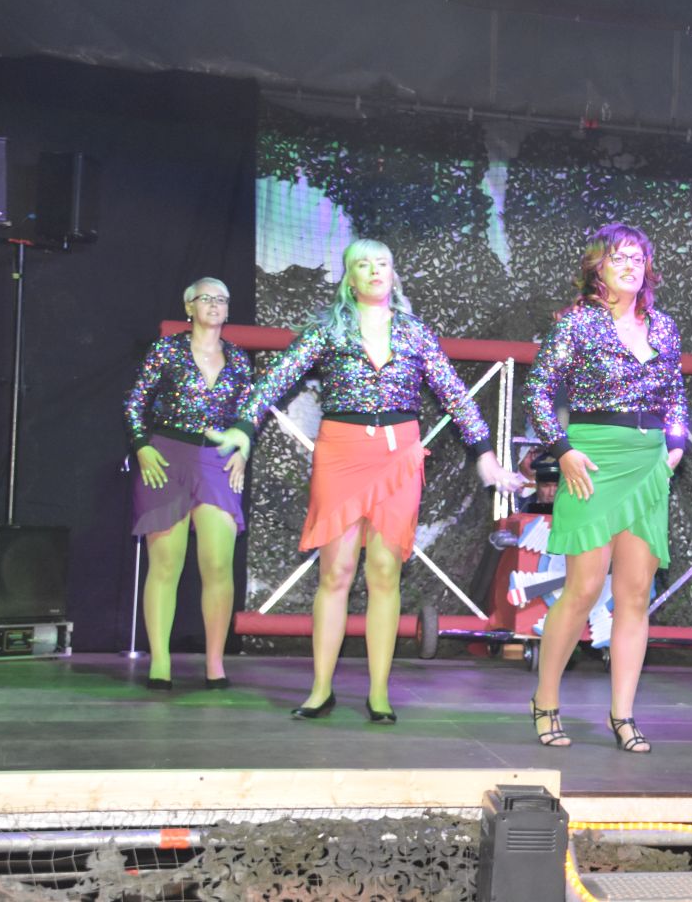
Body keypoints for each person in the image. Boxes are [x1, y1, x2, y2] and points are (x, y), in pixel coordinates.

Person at [207, 239, 521, 723]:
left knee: (384, 571)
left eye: (383, 263)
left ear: (394, 274)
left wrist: (485, 455)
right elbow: (276, 378)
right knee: (335, 572)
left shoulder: (414, 332)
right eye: (363, 265)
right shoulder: (327, 330)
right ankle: (320, 689)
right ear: (349, 278)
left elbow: (455, 395)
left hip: (398, 456)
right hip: (342, 453)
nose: (375, 271)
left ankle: (378, 692)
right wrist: (244, 426)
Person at [522, 223, 687, 753]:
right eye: (620, 257)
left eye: (638, 258)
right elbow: (538, 391)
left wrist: (675, 444)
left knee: (635, 594)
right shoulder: (578, 324)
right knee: (585, 587)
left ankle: (624, 715)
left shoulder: (663, 327)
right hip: (592, 461)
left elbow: (676, 395)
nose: (631, 265)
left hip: (648, 463)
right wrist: (563, 449)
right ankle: (546, 700)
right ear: (598, 267)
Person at [124, 278, 249, 691]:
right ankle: (160, 661)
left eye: (221, 299)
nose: (214, 305)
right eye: (205, 298)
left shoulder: (238, 359)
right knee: (165, 563)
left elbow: (249, 413)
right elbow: (135, 403)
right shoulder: (167, 350)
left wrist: (242, 448)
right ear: (189, 307)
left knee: (218, 565)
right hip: (167, 457)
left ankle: (215, 663)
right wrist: (141, 446)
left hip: (216, 462)